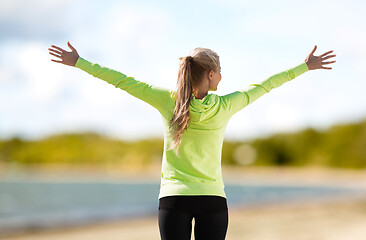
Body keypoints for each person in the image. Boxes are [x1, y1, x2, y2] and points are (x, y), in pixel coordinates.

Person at [48, 42, 336, 240]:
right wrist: (304, 67)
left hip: (173, 199)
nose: (222, 77)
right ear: (210, 75)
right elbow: (267, 84)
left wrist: (79, 63)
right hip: (212, 199)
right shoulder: (226, 105)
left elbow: (123, 81)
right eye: (220, 72)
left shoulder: (167, 100)